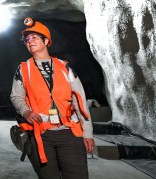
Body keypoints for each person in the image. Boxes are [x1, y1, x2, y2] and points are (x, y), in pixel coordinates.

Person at [10, 17, 95, 178]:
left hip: (70, 134)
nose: (30, 41)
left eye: (34, 37)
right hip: (40, 135)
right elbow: (16, 97)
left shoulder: (65, 67)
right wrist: (26, 112)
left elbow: (80, 102)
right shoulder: (23, 69)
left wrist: (88, 133)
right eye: (27, 39)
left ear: (46, 40)